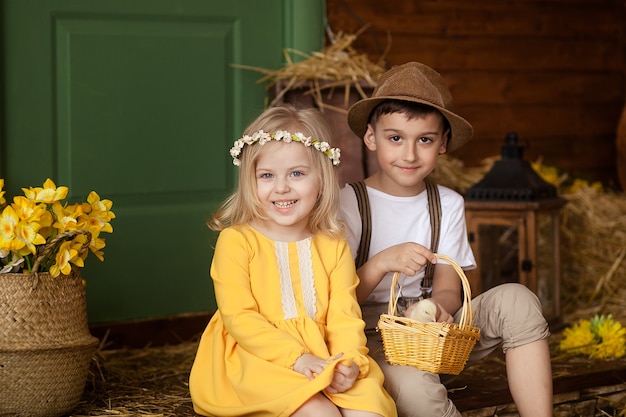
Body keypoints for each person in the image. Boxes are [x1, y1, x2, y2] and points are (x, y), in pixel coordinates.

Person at [339, 62, 553, 417]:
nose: (409, 154)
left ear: (443, 144)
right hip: (372, 337)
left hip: (437, 333)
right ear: (371, 138)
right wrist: (379, 264)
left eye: (424, 139)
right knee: (416, 391)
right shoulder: (348, 203)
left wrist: (441, 307)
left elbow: (449, 288)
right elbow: (335, 302)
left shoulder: (447, 204)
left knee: (516, 300)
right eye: (395, 138)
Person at [189, 105, 397, 417]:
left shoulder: (332, 243)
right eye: (267, 175)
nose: (282, 187)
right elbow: (240, 318)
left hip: (326, 354)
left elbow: (344, 315)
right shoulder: (237, 241)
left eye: (297, 174)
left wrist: (349, 361)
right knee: (319, 413)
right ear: (250, 179)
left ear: (322, 180)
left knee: (368, 411)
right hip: (259, 359)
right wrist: (297, 358)